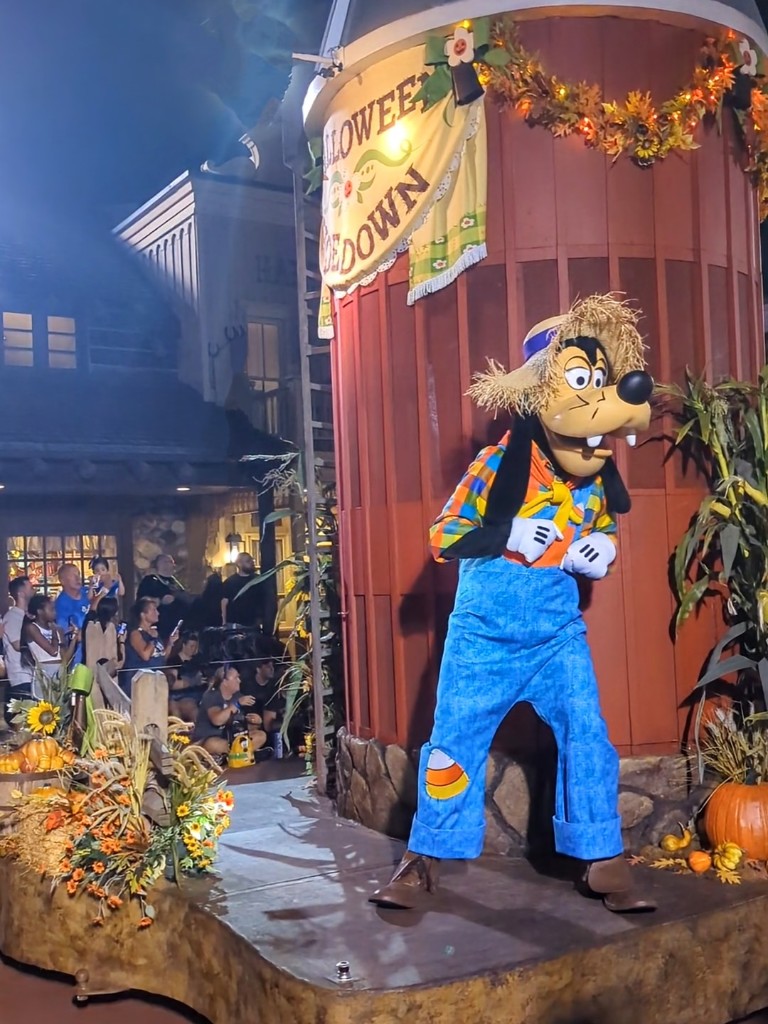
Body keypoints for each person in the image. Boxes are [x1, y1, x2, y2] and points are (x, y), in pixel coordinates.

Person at [369, 294, 656, 914]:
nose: (597, 400)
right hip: (483, 639)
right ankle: (425, 860)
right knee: (453, 744)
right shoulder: (497, 466)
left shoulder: (592, 477)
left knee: (588, 734)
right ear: (539, 397)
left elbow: (606, 528)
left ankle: (601, 854)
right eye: (581, 382)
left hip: (557, 636)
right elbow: (444, 535)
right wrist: (509, 534)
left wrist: (601, 550)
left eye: (597, 383)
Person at [192, 664, 266, 757]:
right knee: (214, 744)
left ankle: (235, 756)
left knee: (261, 736)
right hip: (208, 739)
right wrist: (237, 704)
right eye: (236, 678)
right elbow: (217, 720)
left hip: (231, 738)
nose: (239, 681)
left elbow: (241, 725)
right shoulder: (211, 695)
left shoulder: (238, 696)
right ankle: (244, 754)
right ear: (225, 681)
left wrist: (255, 722)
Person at [119, 596, 179, 698]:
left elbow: (161, 656)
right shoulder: (136, 634)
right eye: (153, 610)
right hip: (140, 684)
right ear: (143, 615)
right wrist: (152, 639)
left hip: (155, 681)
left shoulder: (153, 632)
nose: (158, 613)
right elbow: (145, 655)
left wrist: (170, 643)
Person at [22, 593, 79, 681]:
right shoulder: (32, 628)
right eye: (51, 609)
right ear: (40, 611)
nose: (55, 613)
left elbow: (65, 658)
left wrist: (74, 638)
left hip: (60, 672)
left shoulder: (58, 629)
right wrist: (53, 632)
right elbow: (53, 651)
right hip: (45, 672)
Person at [137, 554, 191, 640]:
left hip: (179, 627)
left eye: (172, 562)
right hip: (161, 627)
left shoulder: (174, 582)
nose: (172, 565)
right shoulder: (150, 581)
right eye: (168, 562)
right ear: (160, 564)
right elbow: (142, 601)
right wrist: (160, 601)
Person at [83, 596, 124, 706]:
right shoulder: (110, 629)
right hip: (107, 675)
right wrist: (122, 641)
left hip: (91, 675)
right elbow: (118, 660)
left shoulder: (89, 623)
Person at [3, 576, 35, 698]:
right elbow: (18, 645)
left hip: (32, 675)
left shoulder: (28, 615)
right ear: (21, 594)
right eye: (30, 587)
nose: (33, 590)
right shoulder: (12, 617)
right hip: (21, 676)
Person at [54, 564, 90, 666]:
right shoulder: (61, 605)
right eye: (73, 575)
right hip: (78, 656)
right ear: (62, 581)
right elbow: (64, 632)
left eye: (78, 574)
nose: (78, 578)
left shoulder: (88, 592)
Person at [166, 632, 207, 722]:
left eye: (195, 646)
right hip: (179, 697)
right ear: (184, 645)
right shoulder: (173, 661)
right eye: (191, 646)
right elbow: (173, 684)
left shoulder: (198, 661)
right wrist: (193, 681)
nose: (194, 649)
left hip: (198, 695)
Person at [221, 553, 265, 629]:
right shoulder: (230, 582)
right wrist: (224, 622)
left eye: (252, 561)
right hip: (235, 623)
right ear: (239, 564)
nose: (252, 563)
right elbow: (224, 602)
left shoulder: (258, 580)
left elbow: (264, 600)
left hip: (254, 623)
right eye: (248, 561)